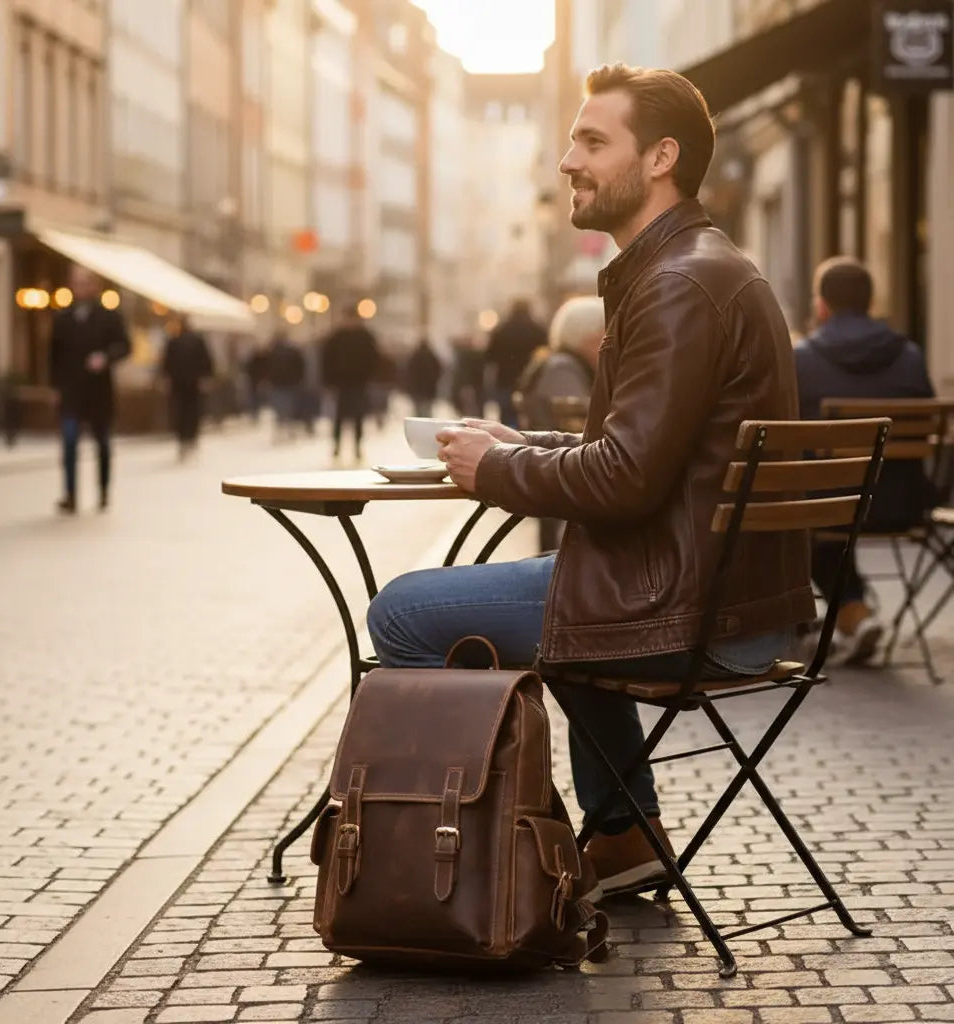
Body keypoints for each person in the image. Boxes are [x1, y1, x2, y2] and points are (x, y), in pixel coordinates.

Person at [366, 63, 814, 898]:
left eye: (592, 141)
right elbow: (645, 452)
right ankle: (621, 834)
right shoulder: (691, 267)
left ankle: (515, 859)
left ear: (660, 159)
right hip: (719, 590)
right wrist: (522, 441)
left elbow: (625, 481)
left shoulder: (678, 283)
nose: (567, 160)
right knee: (550, 597)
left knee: (404, 613)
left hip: (681, 605)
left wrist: (498, 468)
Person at [794, 256, 935, 664]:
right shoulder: (909, 355)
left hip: (827, 506)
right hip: (902, 505)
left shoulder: (802, 360)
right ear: (870, 302)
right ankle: (854, 613)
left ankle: (828, 618)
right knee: (829, 506)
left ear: (821, 305)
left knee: (800, 511)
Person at [516, 295, 604, 552]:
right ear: (587, 336)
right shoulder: (563, 368)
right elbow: (582, 425)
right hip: (557, 476)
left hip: (554, 471)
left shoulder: (558, 362)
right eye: (605, 332)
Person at [49, 266, 130, 513]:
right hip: (71, 390)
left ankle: (103, 490)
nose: (81, 288)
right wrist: (54, 387)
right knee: (70, 441)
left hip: (98, 392)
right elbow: (53, 356)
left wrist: (105, 357)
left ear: (95, 286)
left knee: (103, 443)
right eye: (77, 283)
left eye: (86, 283)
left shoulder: (109, 316)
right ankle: (70, 494)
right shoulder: (63, 318)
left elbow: (125, 346)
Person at [320, 304, 380, 462]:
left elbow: (374, 359)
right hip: (342, 384)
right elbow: (327, 360)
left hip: (359, 383)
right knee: (339, 417)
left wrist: (369, 377)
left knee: (358, 416)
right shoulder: (336, 337)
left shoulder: (365, 336)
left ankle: (357, 446)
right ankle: (337, 446)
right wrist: (329, 381)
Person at [484, 298, 548, 427]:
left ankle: (509, 441)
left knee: (507, 417)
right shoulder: (537, 330)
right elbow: (545, 354)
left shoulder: (501, 330)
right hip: (531, 382)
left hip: (505, 380)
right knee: (529, 417)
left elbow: (489, 355)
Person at [160, 314, 213, 459]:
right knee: (192, 411)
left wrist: (167, 379)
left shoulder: (174, 341)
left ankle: (184, 439)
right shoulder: (197, 341)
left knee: (181, 412)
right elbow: (206, 361)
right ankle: (190, 438)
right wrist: (205, 377)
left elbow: (166, 363)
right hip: (193, 383)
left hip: (179, 383)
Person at [266, 330, 306, 440]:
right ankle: (288, 428)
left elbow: (268, 367)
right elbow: (300, 366)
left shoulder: (272, 351)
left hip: (279, 382)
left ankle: (281, 428)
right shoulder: (293, 351)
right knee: (289, 406)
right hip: (289, 382)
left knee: (280, 406)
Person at [405, 336, 443, 419]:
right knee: (427, 409)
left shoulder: (414, 356)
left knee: (418, 409)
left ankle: (419, 424)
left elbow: (408, 372)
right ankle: (426, 424)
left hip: (416, 388)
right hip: (429, 388)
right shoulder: (432, 356)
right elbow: (439, 370)